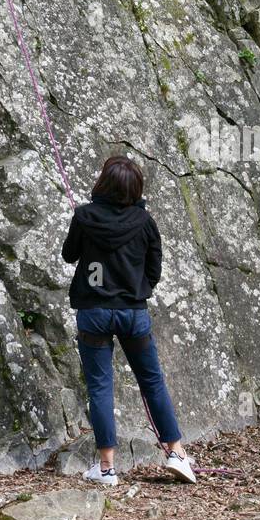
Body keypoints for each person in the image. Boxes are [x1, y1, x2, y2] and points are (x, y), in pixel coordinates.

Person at [61, 154, 196, 487]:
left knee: (100, 386)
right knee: (152, 381)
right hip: (133, 312)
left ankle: (107, 469)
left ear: (103, 183)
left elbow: (69, 255)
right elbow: (154, 270)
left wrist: (84, 227)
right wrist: (135, 290)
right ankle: (176, 453)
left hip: (93, 311)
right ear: (136, 188)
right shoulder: (145, 222)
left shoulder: (84, 217)